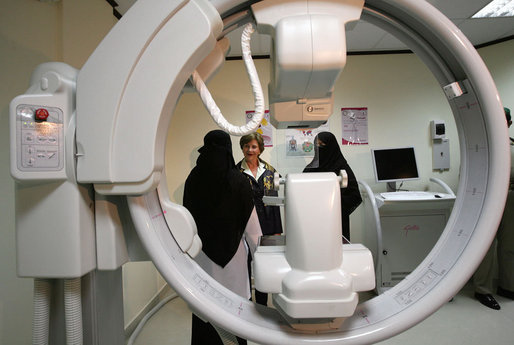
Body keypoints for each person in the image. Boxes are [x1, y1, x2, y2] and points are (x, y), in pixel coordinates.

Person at [183, 130, 262, 345]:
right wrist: (261, 262)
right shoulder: (238, 180)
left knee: (205, 315)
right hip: (233, 261)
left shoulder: (193, 179)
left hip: (201, 259)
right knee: (234, 317)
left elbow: (186, 223)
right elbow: (253, 230)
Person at [473, 107, 514, 310]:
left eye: (504, 120)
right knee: (485, 246)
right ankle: (483, 290)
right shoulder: (482, 146)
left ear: (509, 123)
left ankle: (508, 286)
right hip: (487, 199)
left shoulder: (511, 146)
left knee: (509, 246)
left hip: (510, 200)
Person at [236, 132, 283, 306]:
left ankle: (262, 303)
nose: (250, 150)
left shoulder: (270, 172)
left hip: (268, 225)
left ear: (260, 149)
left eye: (254, 146)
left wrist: (277, 230)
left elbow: (275, 202)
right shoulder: (235, 172)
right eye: (246, 146)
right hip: (245, 226)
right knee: (245, 264)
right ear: (242, 148)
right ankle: (247, 301)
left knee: (264, 265)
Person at [303, 131, 362, 242]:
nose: (318, 148)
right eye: (316, 145)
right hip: (314, 220)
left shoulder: (342, 169)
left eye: (322, 145)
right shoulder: (311, 168)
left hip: (336, 221)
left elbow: (354, 196)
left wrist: (332, 203)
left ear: (331, 147)